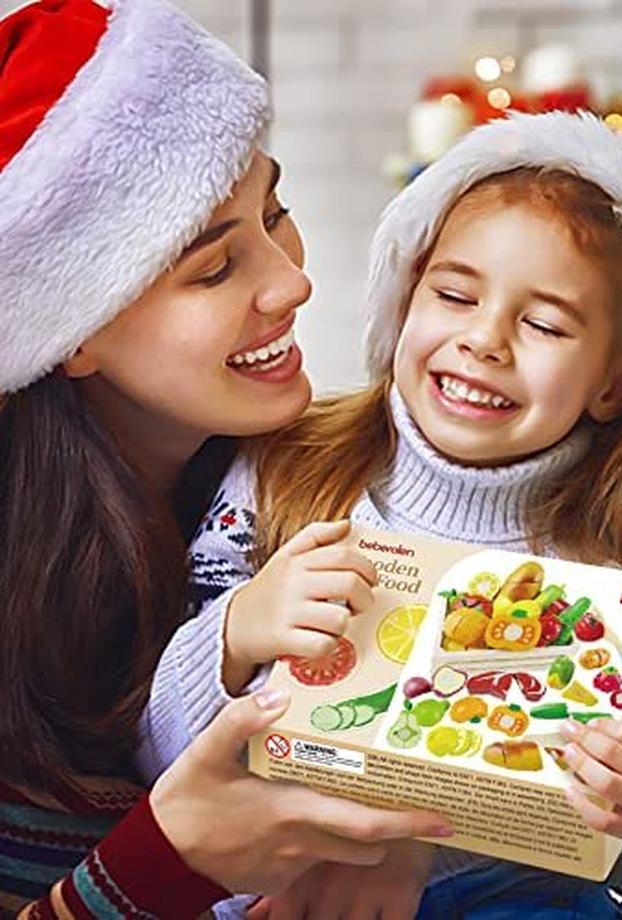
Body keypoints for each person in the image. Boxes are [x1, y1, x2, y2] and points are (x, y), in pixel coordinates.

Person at [151, 111, 622, 919]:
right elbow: (154, 756)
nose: (484, 341)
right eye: (455, 295)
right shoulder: (283, 477)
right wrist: (236, 630)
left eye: (544, 324)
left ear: (616, 385)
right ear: (403, 304)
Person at [0, 1, 449, 916]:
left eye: (275, 212)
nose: (293, 281)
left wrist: (396, 839)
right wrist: (170, 858)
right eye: (214, 269)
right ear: (70, 332)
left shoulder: (335, 493)